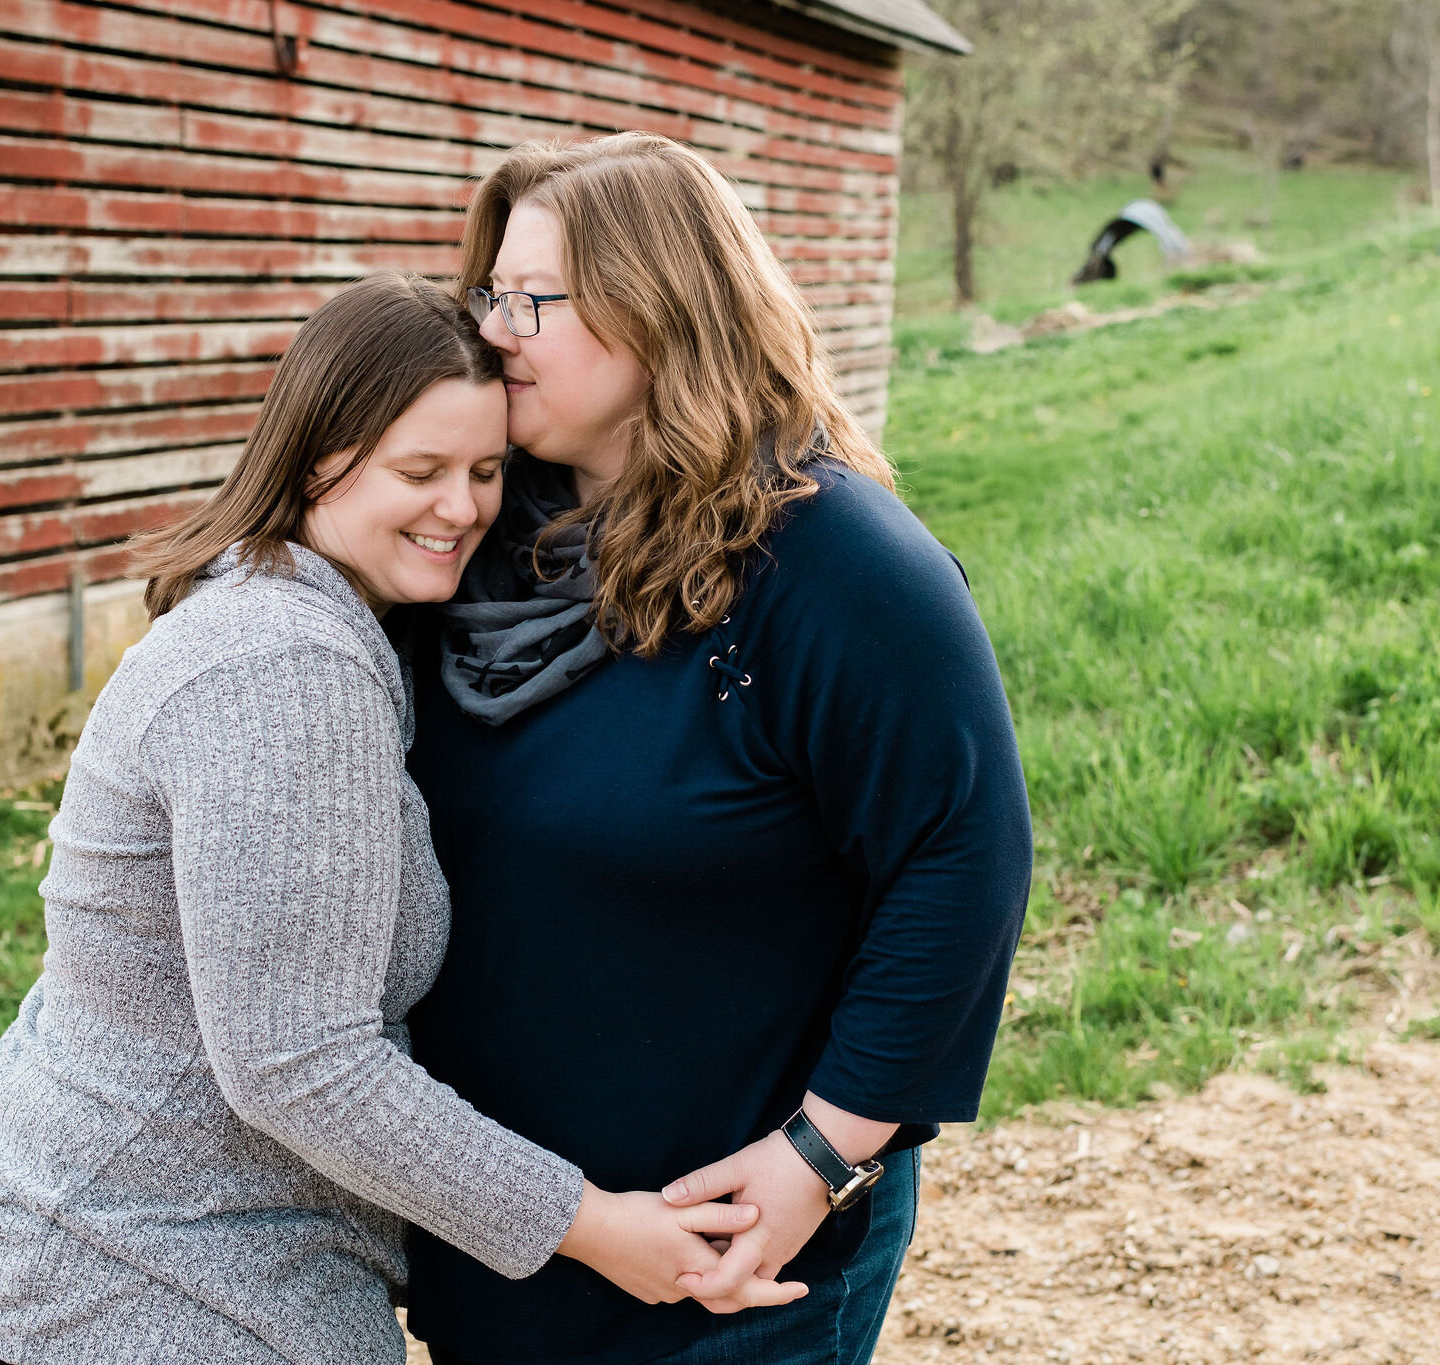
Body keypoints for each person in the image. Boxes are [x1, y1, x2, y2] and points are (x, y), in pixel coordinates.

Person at [0, 272, 798, 1365]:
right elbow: (299, 1063)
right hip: (138, 1281)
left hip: (108, 1242)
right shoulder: (284, 666)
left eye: (484, 471)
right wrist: (598, 1229)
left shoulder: (282, 606)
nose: (462, 509)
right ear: (314, 457)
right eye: (418, 471)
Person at [403, 134, 1034, 1365]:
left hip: (731, 1258)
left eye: (535, 300)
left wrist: (817, 1159)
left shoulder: (835, 564)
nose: (496, 329)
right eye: (490, 293)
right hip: (518, 1229)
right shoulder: (474, 530)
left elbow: (960, 861)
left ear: (664, 309)